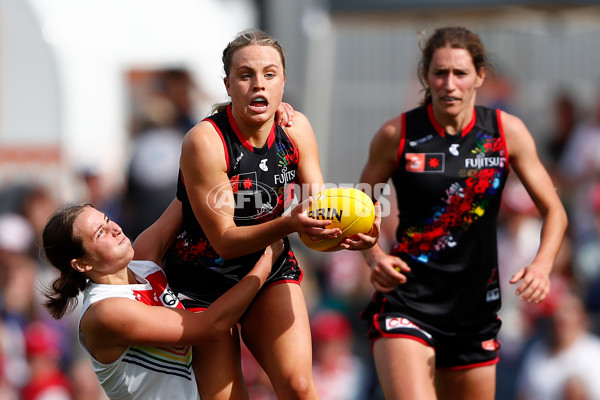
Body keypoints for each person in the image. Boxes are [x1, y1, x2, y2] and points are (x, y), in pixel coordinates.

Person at [163, 29, 379, 400]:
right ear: (228, 85)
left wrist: (352, 235)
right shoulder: (205, 142)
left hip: (271, 264)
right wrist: (288, 224)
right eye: (245, 75)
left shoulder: (296, 129)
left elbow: (317, 214)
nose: (257, 84)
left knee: (298, 387)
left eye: (269, 74)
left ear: (283, 81)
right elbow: (225, 242)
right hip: (203, 283)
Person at [358, 26, 568, 400]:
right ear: (426, 76)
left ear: (480, 77)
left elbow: (555, 211)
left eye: (460, 73)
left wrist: (542, 264)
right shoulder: (397, 134)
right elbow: (360, 209)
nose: (449, 84)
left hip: (474, 313)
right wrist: (374, 257)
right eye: (440, 73)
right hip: (407, 301)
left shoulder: (506, 133)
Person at [41, 200, 283, 400]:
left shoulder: (145, 261)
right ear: (82, 264)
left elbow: (189, 193)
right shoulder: (104, 312)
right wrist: (266, 261)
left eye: (106, 219)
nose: (115, 228)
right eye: (100, 232)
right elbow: (212, 327)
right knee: (215, 326)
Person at [516, 290, 600, 400]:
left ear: (582, 317)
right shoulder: (537, 351)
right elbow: (523, 394)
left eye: (569, 311)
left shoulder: (594, 353)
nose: (561, 317)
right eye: (557, 310)